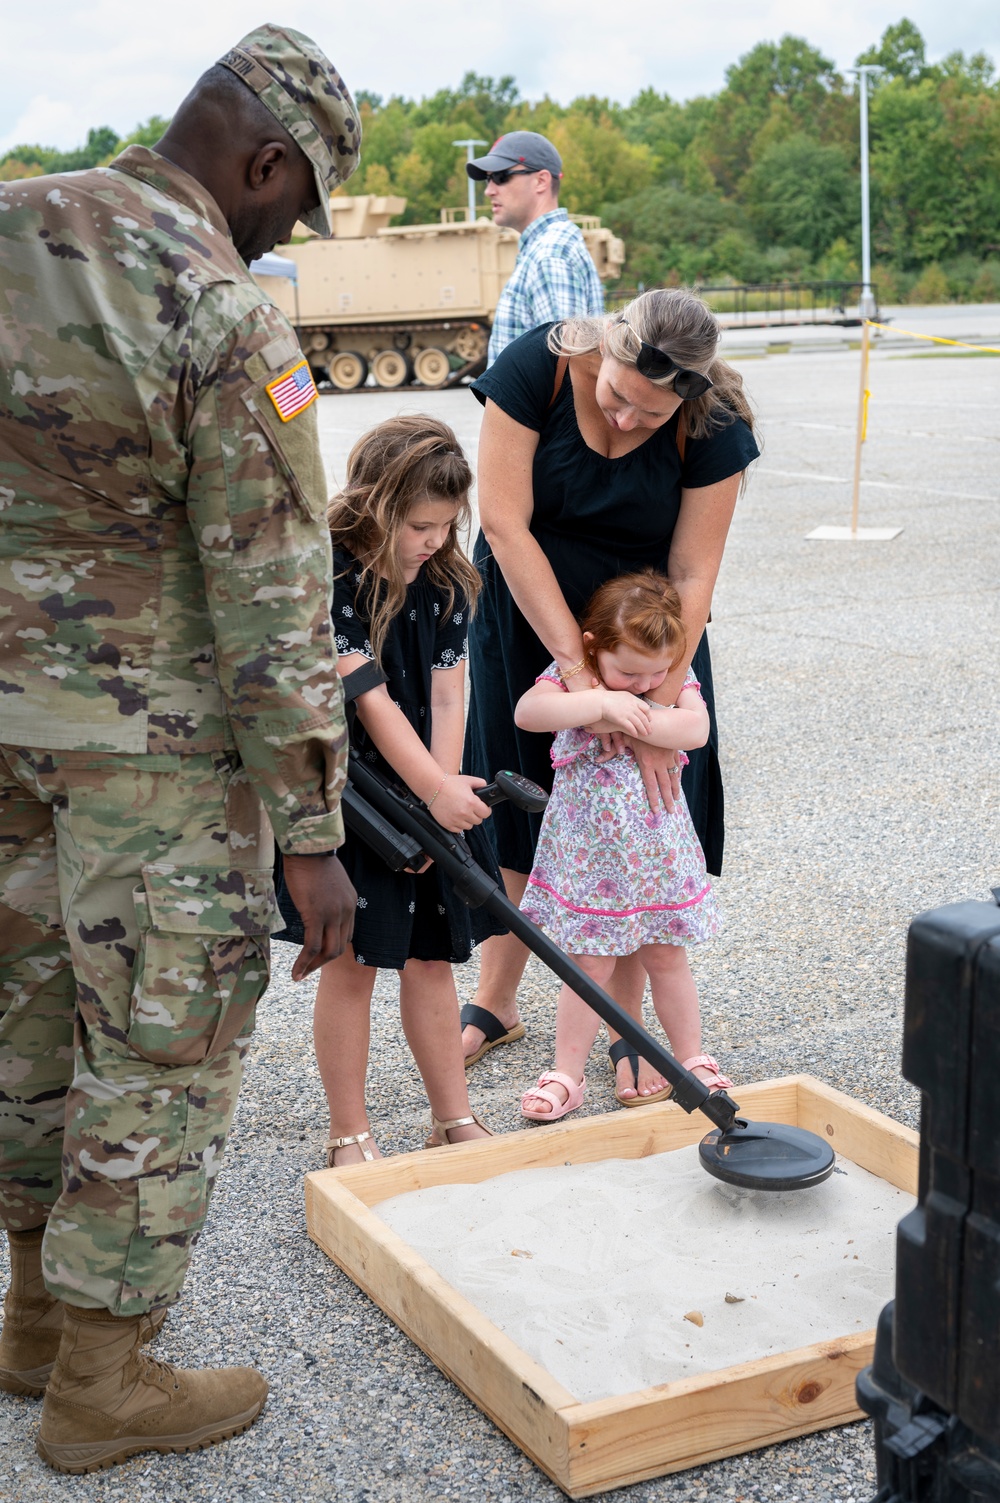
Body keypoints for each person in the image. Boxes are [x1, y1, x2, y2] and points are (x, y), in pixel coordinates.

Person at [0, 26, 360, 1473]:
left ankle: (29, 1312)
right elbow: (272, 597)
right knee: (161, 1040)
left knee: (23, 1019)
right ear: (265, 161)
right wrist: (315, 831)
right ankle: (103, 1376)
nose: (285, 230)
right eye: (295, 203)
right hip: (151, 759)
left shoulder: (16, 220)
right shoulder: (223, 310)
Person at [460, 289, 759, 1104]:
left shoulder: (717, 423)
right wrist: (579, 677)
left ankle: (626, 1025)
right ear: (609, 349)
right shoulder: (538, 368)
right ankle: (498, 994)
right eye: (619, 396)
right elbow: (505, 523)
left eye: (653, 416)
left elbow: (695, 573)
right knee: (524, 810)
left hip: (647, 636)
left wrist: (658, 712)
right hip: (534, 616)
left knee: (635, 819)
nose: (628, 421)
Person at [276, 416, 504, 1166]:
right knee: (354, 964)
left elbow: (447, 693)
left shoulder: (447, 579)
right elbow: (367, 696)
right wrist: (429, 791)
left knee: (433, 960)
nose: (432, 539)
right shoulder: (335, 568)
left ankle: (452, 1118)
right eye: (418, 524)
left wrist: (439, 808)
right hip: (358, 795)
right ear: (377, 504)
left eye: (445, 524)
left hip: (421, 790)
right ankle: (350, 1133)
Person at [513, 572, 731, 1120]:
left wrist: (645, 717)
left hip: (656, 857)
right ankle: (568, 1073)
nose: (644, 682)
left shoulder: (666, 689)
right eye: (630, 670)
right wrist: (600, 706)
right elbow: (528, 713)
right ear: (592, 647)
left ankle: (691, 1058)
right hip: (592, 862)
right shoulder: (577, 684)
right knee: (587, 965)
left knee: (666, 957)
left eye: (658, 670)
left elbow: (696, 730)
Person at [466, 130, 605, 364]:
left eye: (500, 177)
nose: (489, 190)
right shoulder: (545, 249)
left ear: (541, 181)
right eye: (488, 179)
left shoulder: (550, 255)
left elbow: (566, 368)